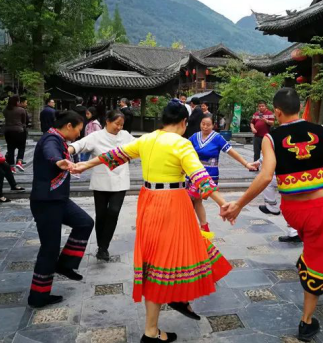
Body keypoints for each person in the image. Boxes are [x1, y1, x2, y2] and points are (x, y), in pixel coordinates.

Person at [73, 100, 232, 344]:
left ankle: (177, 298)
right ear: (184, 122)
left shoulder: (146, 139)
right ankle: (151, 331)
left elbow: (113, 155)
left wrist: (85, 164)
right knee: (175, 254)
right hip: (173, 202)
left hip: (148, 201)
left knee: (164, 254)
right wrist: (223, 203)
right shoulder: (181, 143)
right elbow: (200, 177)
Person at [221, 88, 323, 342]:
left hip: (291, 211)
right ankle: (307, 322)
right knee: (317, 258)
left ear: (277, 112)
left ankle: (318, 262)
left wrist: (240, 204)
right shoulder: (321, 131)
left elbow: (266, 176)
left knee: (320, 243)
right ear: (299, 108)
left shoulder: (271, 138)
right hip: (317, 209)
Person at [28, 111, 95, 309]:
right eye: (78, 130)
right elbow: (50, 152)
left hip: (59, 200)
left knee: (85, 223)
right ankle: (38, 296)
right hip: (46, 202)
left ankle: (65, 264)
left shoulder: (59, 139)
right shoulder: (51, 139)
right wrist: (58, 161)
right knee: (49, 249)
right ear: (69, 126)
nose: (79, 134)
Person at [68, 110, 135, 262]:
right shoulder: (96, 136)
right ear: (108, 121)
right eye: (117, 124)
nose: (119, 127)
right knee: (101, 214)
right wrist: (68, 150)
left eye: (122, 125)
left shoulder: (125, 136)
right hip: (101, 181)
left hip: (120, 180)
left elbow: (140, 145)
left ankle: (104, 245)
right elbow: (80, 144)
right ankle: (102, 247)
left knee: (114, 211)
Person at [189, 115, 255, 232]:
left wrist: (246, 164)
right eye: (203, 124)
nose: (205, 127)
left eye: (208, 125)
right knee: (195, 200)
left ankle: (198, 225)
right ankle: (202, 226)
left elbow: (231, 152)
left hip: (210, 173)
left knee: (195, 199)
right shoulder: (195, 136)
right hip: (195, 173)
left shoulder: (217, 138)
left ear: (213, 125)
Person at [252, 157, 301, 243]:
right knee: (291, 204)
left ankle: (272, 206)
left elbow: (272, 152)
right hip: (302, 174)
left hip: (289, 174)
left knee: (267, 181)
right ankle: (294, 232)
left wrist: (259, 161)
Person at [3, 95, 28, 173]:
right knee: (22, 147)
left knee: (10, 149)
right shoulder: (21, 110)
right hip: (19, 131)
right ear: (17, 102)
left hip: (8, 132)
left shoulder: (5, 110)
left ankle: (11, 167)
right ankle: (19, 162)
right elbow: (24, 121)